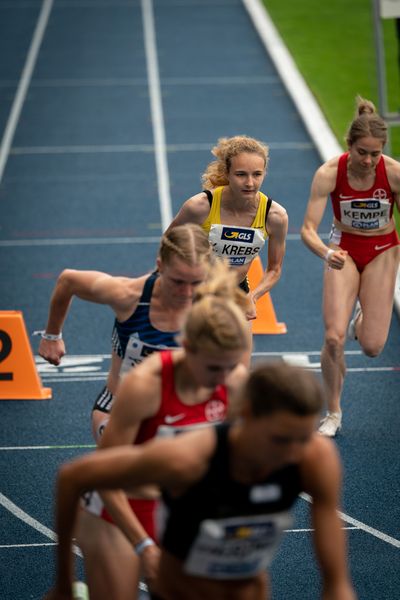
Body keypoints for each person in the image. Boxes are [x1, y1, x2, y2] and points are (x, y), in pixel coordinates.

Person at [44, 362, 356, 600]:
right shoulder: (188, 457)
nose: (293, 452)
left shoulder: (314, 458)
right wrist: (62, 583)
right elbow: (73, 476)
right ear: (248, 414)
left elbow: (336, 581)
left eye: (303, 438)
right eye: (280, 439)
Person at [62, 261, 251, 600]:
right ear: (187, 348)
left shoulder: (234, 384)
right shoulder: (144, 385)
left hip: (180, 509)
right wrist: (145, 545)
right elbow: (95, 477)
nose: (222, 378)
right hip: (118, 507)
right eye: (213, 368)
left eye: (231, 365)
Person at [37, 224, 212, 440]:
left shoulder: (215, 307)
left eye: (196, 282)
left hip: (182, 411)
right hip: (121, 410)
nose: (186, 292)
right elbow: (68, 280)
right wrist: (52, 336)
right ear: (160, 266)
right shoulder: (128, 296)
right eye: (177, 281)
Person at [301, 96, 400, 437]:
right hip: (342, 249)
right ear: (350, 146)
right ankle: (333, 412)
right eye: (362, 153)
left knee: (372, 347)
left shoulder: (394, 174)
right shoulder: (329, 173)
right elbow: (308, 230)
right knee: (333, 338)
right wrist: (325, 254)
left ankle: (363, 315)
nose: (369, 160)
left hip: (383, 250)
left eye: (376, 153)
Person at [166, 135, 288, 322]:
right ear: (227, 173)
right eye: (241, 174)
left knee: (239, 352)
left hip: (236, 292)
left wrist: (252, 297)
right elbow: (167, 244)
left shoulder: (275, 216)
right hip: (194, 291)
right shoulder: (199, 206)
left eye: (257, 174)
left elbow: (274, 269)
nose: (249, 183)